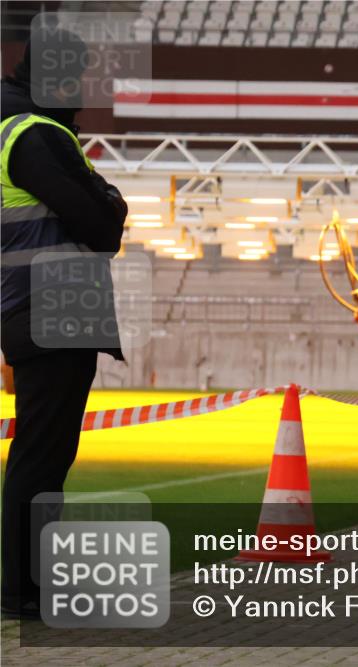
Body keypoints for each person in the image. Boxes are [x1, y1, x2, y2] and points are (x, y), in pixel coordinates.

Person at [1, 28, 128, 619]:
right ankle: (24, 591)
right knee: (43, 453)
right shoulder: (38, 135)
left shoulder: (17, 127)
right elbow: (101, 227)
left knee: (43, 450)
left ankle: (28, 585)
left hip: (33, 303)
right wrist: (110, 199)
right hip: (53, 304)